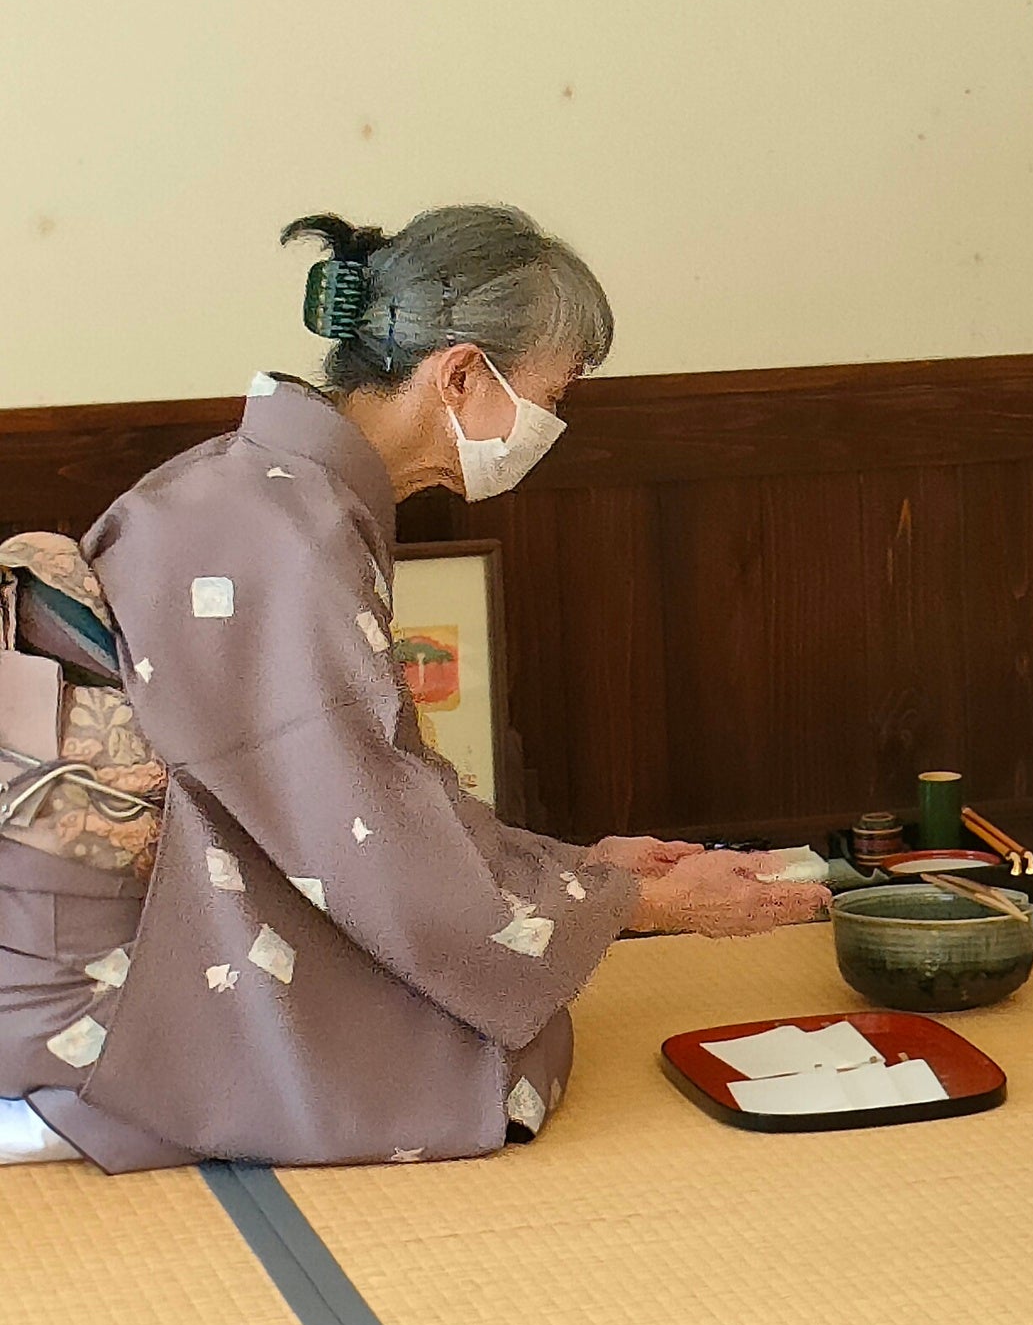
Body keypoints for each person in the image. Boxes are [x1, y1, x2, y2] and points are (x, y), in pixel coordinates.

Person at [0, 210, 828, 1174]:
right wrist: (632, 904)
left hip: (126, 897)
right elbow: (372, 832)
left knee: (502, 1019)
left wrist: (584, 868)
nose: (554, 425)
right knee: (483, 1068)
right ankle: (63, 1101)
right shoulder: (289, 533)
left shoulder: (262, 486)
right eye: (554, 393)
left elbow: (368, 798)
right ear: (462, 374)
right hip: (105, 966)